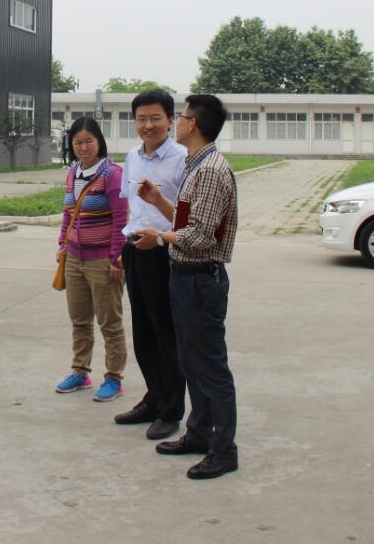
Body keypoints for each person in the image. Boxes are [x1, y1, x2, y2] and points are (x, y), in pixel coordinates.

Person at [133, 94, 240, 480]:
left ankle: (223, 450)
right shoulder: (197, 166)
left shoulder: (209, 170)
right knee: (192, 362)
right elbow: (187, 223)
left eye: (179, 116)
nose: (175, 122)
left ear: (192, 124)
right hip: (186, 276)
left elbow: (200, 236)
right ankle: (198, 433)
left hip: (200, 279)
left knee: (210, 367)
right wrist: (159, 201)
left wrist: (159, 237)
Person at [114, 91, 188, 440]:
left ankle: (171, 410)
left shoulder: (182, 159)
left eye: (155, 118)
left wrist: (159, 236)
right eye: (141, 118)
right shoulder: (132, 157)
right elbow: (131, 207)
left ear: (171, 120)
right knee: (143, 334)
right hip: (134, 249)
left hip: (164, 251)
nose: (148, 125)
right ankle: (153, 398)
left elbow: (187, 218)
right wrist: (123, 248)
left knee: (166, 334)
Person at [55, 116, 128, 402]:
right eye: (78, 143)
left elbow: (122, 218)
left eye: (89, 141)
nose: (84, 148)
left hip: (103, 262)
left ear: (99, 142)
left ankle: (114, 378)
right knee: (80, 320)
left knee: (110, 323)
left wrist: (116, 257)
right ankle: (80, 371)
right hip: (74, 259)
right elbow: (68, 213)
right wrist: (62, 244)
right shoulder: (74, 172)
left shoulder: (112, 174)